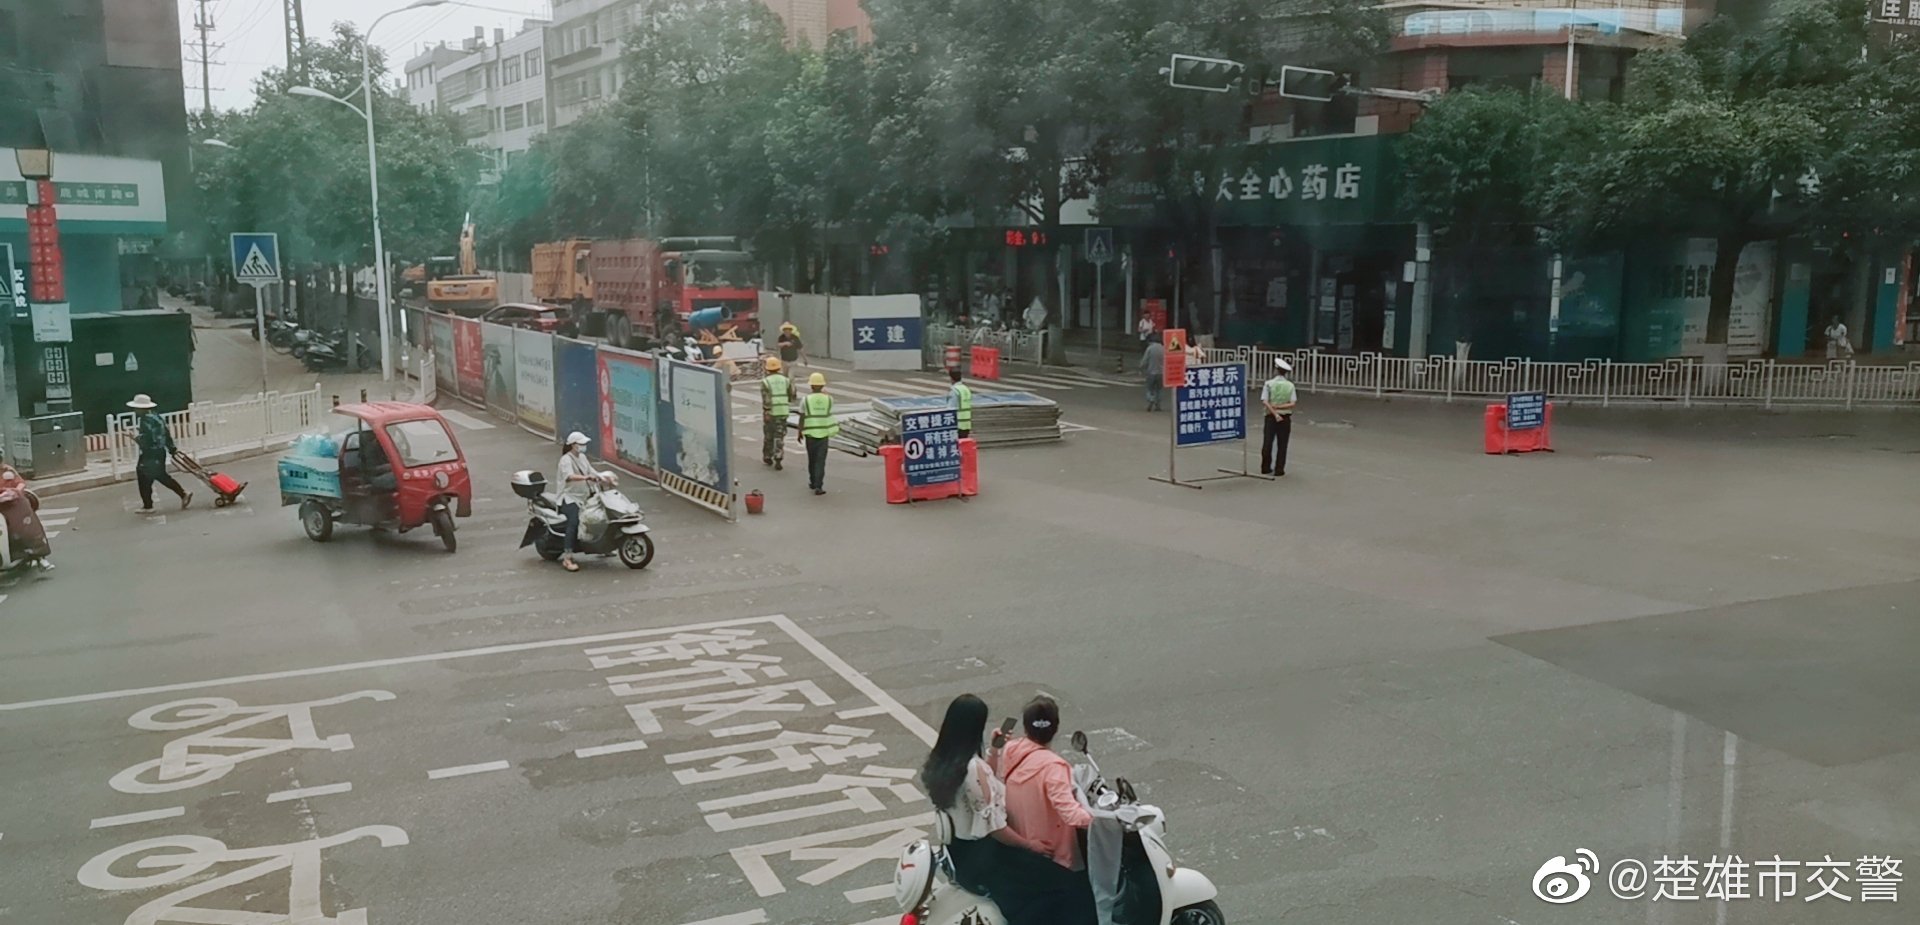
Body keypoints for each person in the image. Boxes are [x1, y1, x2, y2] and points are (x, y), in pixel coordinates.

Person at [920, 694, 1045, 902]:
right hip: (985, 858)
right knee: (1059, 883)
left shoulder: (944, 760)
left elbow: (982, 785)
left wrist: (994, 751)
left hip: (959, 855)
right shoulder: (972, 768)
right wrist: (1031, 846)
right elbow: (995, 828)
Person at [994, 695, 1097, 925]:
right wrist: (1103, 820)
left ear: (1026, 726)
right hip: (1056, 859)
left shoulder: (1012, 750)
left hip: (1023, 851)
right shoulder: (1053, 767)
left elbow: (996, 770)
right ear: (1056, 727)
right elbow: (1070, 813)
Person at [555, 431, 610, 573]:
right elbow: (569, 476)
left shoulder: (583, 457)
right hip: (569, 498)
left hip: (585, 496)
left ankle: (603, 547)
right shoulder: (566, 460)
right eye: (581, 444)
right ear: (573, 445)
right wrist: (586, 478)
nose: (584, 446)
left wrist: (604, 477)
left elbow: (592, 471)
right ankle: (567, 558)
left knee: (602, 514)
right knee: (574, 522)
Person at [129, 394, 191, 513]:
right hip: (159, 452)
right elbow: (166, 434)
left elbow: (148, 440)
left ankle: (149, 505)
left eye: (136, 408)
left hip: (150, 454)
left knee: (146, 476)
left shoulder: (145, 420)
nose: (135, 410)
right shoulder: (157, 417)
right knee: (158, 475)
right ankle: (181, 494)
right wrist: (172, 449)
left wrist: (135, 438)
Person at [800, 373, 838, 496]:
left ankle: (812, 481)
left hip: (810, 434)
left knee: (812, 459)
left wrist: (799, 431)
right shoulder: (829, 399)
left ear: (811, 386)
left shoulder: (805, 399)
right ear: (822, 385)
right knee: (820, 461)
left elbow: (802, 416)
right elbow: (829, 411)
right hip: (824, 434)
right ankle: (819, 486)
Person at [1260, 358, 1297, 477]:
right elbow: (1292, 403)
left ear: (1275, 370)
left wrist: (1274, 412)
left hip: (1270, 416)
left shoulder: (1268, 384)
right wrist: (1280, 408)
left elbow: (1265, 401)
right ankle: (1279, 469)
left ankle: (1265, 467)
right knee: (1282, 444)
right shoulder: (1290, 386)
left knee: (1267, 442)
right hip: (1285, 417)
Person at [761, 357, 794, 470]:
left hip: (771, 413)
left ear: (767, 369)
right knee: (779, 436)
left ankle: (767, 456)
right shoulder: (786, 380)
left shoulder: (765, 381)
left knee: (769, 435)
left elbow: (766, 399)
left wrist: (766, 411)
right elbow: (792, 395)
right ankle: (778, 457)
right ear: (779, 367)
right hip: (783, 412)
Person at [1139, 338, 1165, 412]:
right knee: (1159, 390)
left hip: (1151, 372)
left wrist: (1141, 367)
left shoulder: (1150, 349)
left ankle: (1151, 399)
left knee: (1149, 389)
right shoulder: (1163, 349)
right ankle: (1158, 405)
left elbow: (1145, 360)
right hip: (1161, 373)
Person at [948, 368, 974, 440]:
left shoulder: (954, 391)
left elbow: (950, 409)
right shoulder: (966, 389)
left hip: (957, 425)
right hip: (967, 424)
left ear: (951, 378)